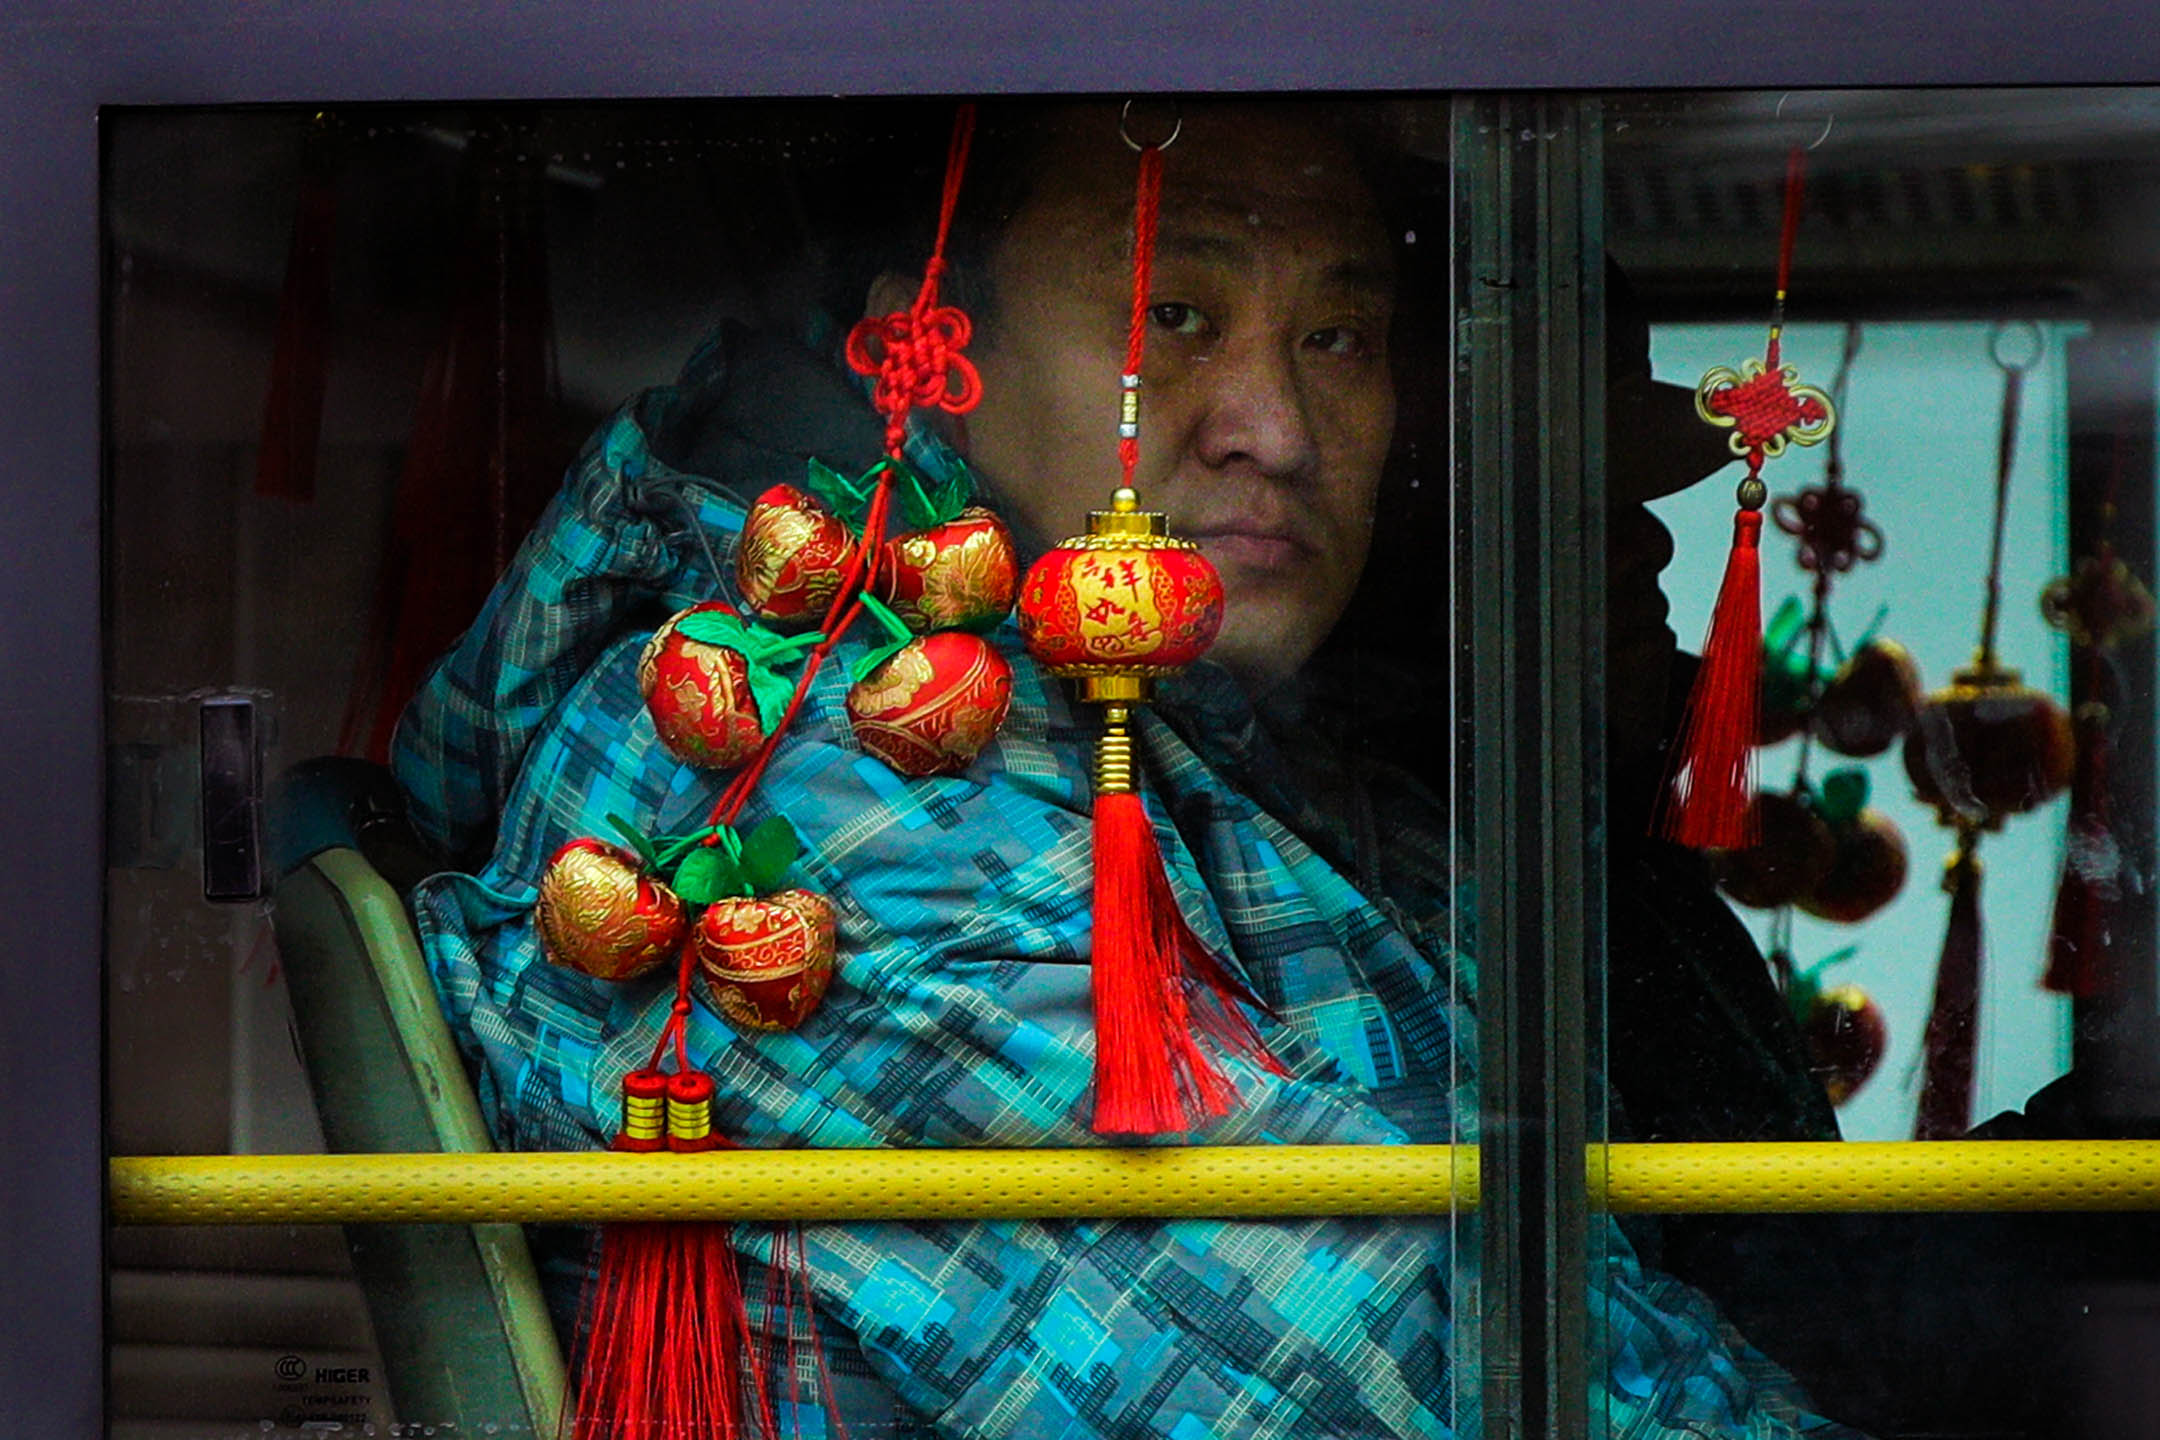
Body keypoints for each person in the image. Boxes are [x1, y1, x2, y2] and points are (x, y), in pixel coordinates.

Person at [392, 99, 1868, 1438]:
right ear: (935, 345)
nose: (1277, 433)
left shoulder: (1243, 749)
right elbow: (1403, 1378)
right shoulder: (846, 778)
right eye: (1172, 311)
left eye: (1339, 338)